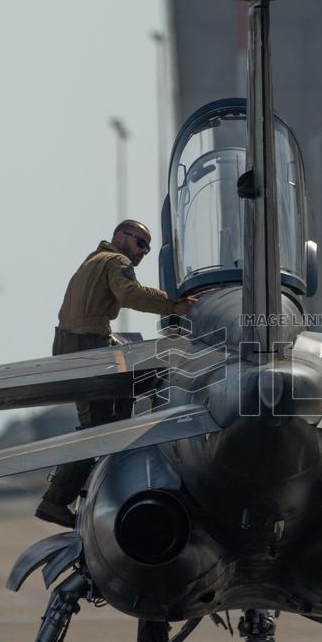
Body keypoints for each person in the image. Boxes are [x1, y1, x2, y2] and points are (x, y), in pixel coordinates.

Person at [35, 219, 197, 529]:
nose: (142, 253)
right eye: (140, 243)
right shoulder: (115, 261)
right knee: (98, 433)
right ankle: (55, 501)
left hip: (77, 348)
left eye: (147, 249)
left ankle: (90, 475)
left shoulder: (92, 261)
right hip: (88, 352)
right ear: (121, 237)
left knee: (109, 414)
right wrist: (174, 306)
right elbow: (130, 294)